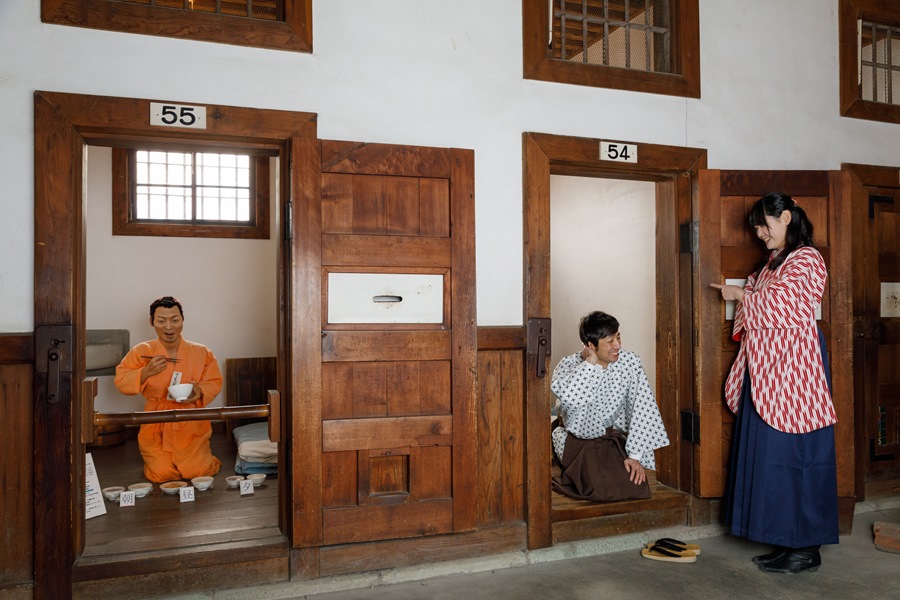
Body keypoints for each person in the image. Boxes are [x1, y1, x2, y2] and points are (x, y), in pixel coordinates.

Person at [710, 192, 839, 574]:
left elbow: (788, 306)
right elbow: (762, 302)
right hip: (766, 368)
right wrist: (749, 295)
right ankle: (786, 541)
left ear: (785, 218)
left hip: (796, 368)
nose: (760, 233)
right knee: (771, 458)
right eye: (757, 228)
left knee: (800, 456)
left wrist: (742, 295)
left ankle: (806, 547)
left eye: (765, 225)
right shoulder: (772, 262)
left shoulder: (807, 258)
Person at [550, 311, 669, 502]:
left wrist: (635, 456)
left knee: (635, 487)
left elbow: (642, 406)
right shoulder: (569, 365)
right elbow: (573, 401)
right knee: (598, 490)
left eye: (618, 337)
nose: (618, 345)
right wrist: (591, 363)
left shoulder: (630, 362)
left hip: (607, 438)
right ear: (591, 345)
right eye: (610, 341)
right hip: (576, 441)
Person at [115, 296, 223, 483]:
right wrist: (144, 372)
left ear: (182, 320)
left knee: (198, 472)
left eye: (175, 320)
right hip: (155, 421)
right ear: (152, 322)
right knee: (162, 475)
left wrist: (199, 390)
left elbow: (214, 380)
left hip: (190, 420)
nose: (169, 327)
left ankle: (201, 459)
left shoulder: (201, 352)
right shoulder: (142, 351)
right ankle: (158, 461)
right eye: (161, 321)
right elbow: (121, 380)